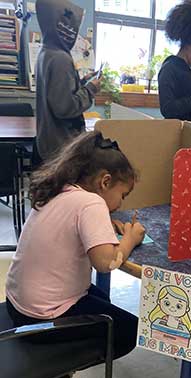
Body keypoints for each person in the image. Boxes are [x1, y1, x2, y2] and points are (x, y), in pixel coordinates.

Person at [6, 131, 145, 366]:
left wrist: (104, 226)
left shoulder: (60, 189)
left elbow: (68, 226)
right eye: (123, 195)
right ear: (105, 181)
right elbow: (106, 263)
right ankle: (63, 364)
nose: (121, 203)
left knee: (100, 297)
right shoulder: (92, 203)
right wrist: (130, 239)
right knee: (130, 330)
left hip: (17, 303)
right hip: (41, 317)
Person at [35, 0, 102, 161]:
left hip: (49, 142)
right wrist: (91, 89)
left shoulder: (46, 52)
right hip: (63, 146)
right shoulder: (60, 58)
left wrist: (81, 82)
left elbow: (57, 94)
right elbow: (66, 108)